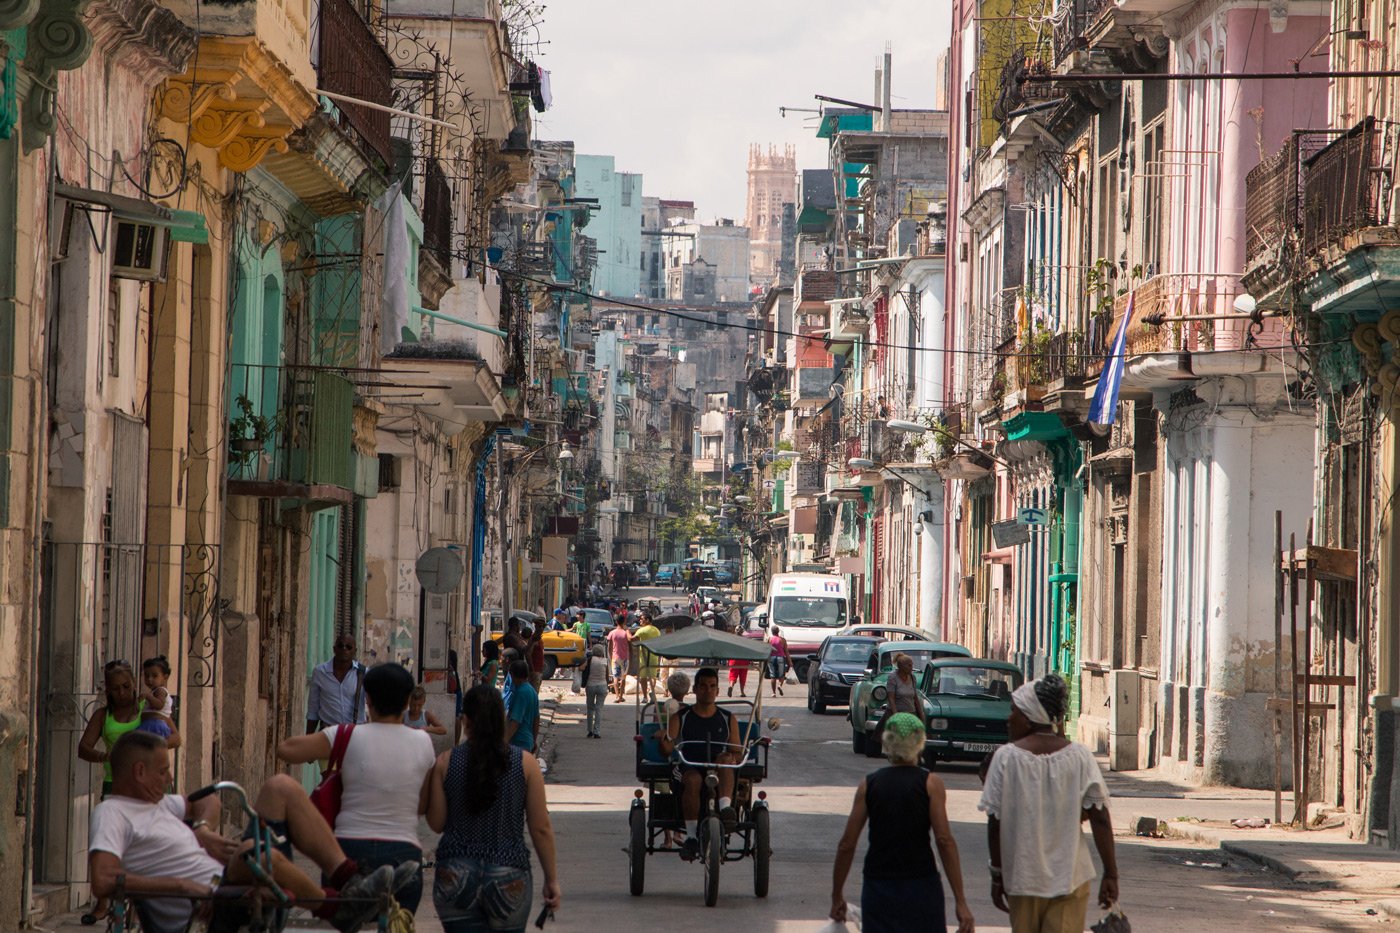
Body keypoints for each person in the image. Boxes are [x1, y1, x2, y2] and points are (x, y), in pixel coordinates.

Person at [89, 731, 412, 933]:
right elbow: (103, 881)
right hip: (209, 910)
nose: (169, 779)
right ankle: (336, 908)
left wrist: (202, 830)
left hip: (229, 885)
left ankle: (349, 880)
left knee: (281, 786)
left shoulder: (159, 804)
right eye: (163, 772)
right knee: (252, 852)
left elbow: (207, 800)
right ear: (140, 772)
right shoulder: (113, 813)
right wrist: (179, 884)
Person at [277, 662, 436, 915]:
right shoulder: (423, 742)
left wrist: (331, 739)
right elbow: (422, 805)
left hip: (347, 853)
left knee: (344, 921)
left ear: (368, 700)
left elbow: (286, 749)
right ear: (407, 702)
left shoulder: (347, 734)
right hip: (403, 853)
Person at [979, 674, 1119, 933]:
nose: (1009, 719)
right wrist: (1111, 873)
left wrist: (997, 875)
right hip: (1070, 878)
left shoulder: (1006, 758)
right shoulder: (1079, 757)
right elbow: (1099, 817)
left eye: (1014, 712)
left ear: (1031, 715)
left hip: (1022, 879)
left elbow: (994, 823)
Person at [427, 685, 561, 932]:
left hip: (456, 872)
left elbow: (436, 823)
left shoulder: (446, 762)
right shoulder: (525, 764)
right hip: (508, 872)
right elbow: (540, 828)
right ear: (502, 719)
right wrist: (551, 879)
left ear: (465, 720)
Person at [831, 713, 975, 933]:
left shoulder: (869, 785)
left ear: (887, 742)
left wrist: (837, 896)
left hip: (879, 888)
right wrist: (961, 901)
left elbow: (847, 844)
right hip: (921, 887)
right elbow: (944, 841)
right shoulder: (931, 784)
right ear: (920, 742)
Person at [78, 660, 182, 925]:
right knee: (109, 844)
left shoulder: (146, 709)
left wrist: (148, 749)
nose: (122, 692)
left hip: (147, 787)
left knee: (146, 845)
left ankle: (140, 905)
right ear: (108, 691)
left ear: (135, 684)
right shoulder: (103, 715)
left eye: (126, 686)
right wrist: (106, 755)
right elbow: (84, 748)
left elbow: (175, 737)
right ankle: (102, 903)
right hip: (116, 785)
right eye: (116, 689)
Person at [658, 667, 741, 860]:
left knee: (727, 759)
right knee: (693, 779)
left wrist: (735, 755)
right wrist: (664, 738)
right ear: (694, 690)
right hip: (689, 767)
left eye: (712, 686)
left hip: (718, 769)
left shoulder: (728, 718)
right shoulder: (681, 716)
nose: (708, 690)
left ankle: (726, 808)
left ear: (718, 691)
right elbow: (667, 750)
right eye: (703, 686)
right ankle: (691, 836)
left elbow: (737, 750)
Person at [306, 635, 366, 734]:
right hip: (328, 733)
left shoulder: (363, 674)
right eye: (340, 646)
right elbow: (313, 710)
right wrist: (308, 739)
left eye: (349, 647)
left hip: (355, 734)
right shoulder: (320, 672)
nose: (344, 649)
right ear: (334, 649)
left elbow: (374, 705)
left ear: (355, 651)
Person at [136, 656, 176, 739]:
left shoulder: (160, 691)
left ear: (165, 677)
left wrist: (147, 696)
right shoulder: (154, 691)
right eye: (146, 676)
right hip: (151, 724)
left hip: (155, 725)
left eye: (154, 676)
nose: (150, 679)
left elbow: (159, 705)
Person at [505, 659, 540, 753]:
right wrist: (534, 740)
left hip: (519, 742)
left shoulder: (521, 693)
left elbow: (515, 722)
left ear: (513, 675)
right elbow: (536, 719)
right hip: (527, 741)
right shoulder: (532, 691)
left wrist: (503, 743)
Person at [630, 611, 662, 703]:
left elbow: (631, 639)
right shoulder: (657, 630)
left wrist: (627, 632)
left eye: (642, 619)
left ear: (647, 620)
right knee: (653, 677)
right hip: (654, 656)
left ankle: (645, 697)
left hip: (643, 657)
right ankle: (652, 692)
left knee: (643, 678)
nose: (640, 621)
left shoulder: (642, 630)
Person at [580, 645, 608, 739]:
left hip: (591, 685)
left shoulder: (590, 659)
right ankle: (597, 731)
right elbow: (607, 676)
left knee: (590, 708)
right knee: (599, 709)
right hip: (602, 686)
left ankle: (590, 731)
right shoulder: (605, 660)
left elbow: (582, 669)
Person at [606, 615, 632, 703]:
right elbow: (630, 645)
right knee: (623, 678)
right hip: (625, 658)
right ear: (624, 621)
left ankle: (617, 696)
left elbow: (609, 647)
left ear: (616, 622)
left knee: (615, 677)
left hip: (615, 658)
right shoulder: (626, 633)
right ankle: (621, 696)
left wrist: (610, 655)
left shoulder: (612, 633)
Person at [766, 626, 790, 697]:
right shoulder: (782, 640)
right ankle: (779, 685)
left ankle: (773, 693)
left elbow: (767, 650)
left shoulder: (769, 639)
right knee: (781, 675)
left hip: (771, 658)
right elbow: (786, 652)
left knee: (773, 676)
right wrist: (790, 662)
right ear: (778, 631)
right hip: (781, 658)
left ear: (772, 631)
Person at [526, 626, 547, 691]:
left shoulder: (539, 639)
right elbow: (528, 654)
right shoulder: (533, 639)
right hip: (535, 669)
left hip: (538, 669)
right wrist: (532, 669)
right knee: (534, 690)